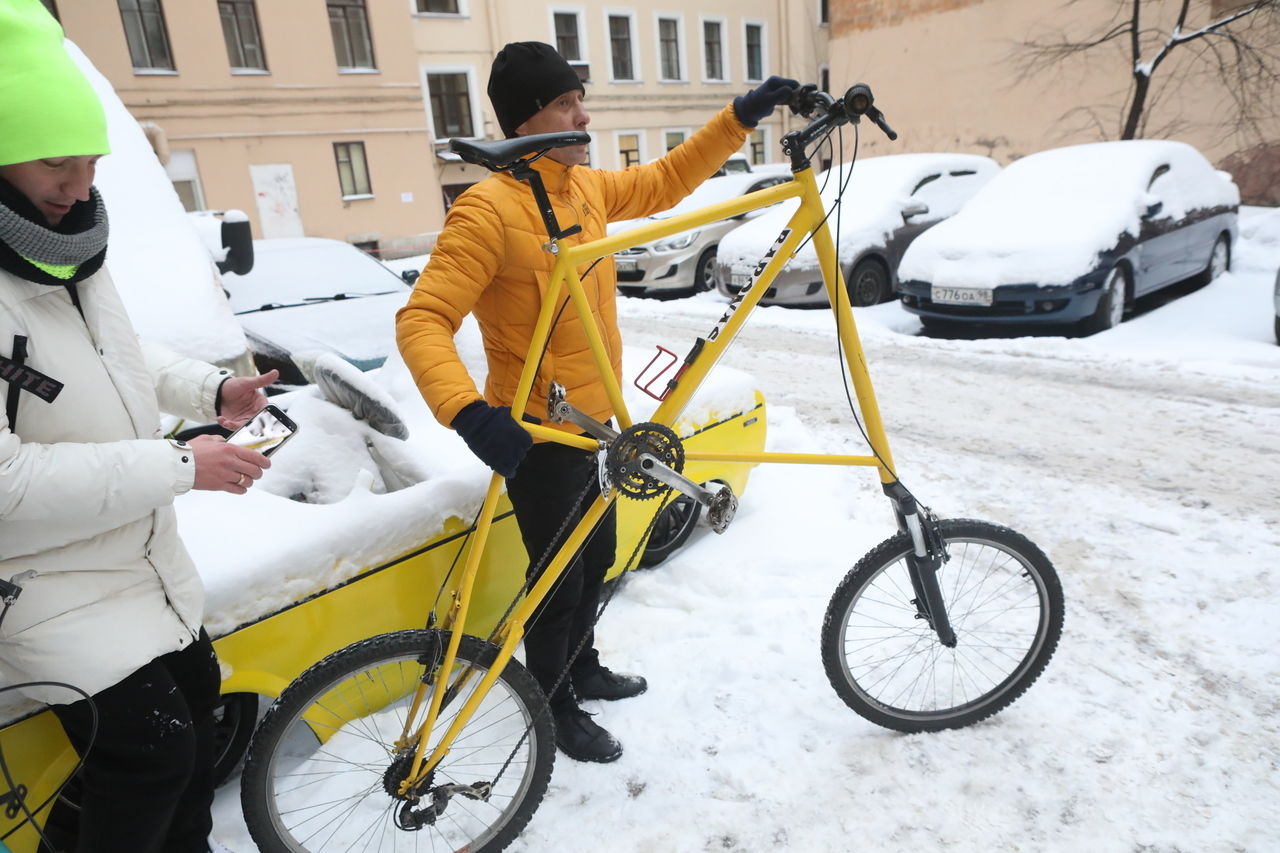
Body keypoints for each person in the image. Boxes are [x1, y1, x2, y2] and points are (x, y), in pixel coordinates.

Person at [396, 40, 797, 764]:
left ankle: (582, 667)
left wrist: (738, 118)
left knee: (601, 552)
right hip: (537, 435)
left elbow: (667, 179)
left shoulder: (582, 189)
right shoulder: (486, 211)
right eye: (564, 103)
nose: (583, 114)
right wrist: (466, 412)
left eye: (579, 98)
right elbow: (422, 320)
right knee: (557, 579)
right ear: (527, 120)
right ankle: (551, 707)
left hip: (597, 424)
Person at [0, 2, 275, 850]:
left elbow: (115, 357)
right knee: (153, 753)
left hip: (136, 562)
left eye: (90, 161)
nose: (80, 186)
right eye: (55, 161)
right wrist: (179, 465)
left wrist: (209, 389)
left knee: (201, 712)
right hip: (38, 586)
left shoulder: (65, 248)